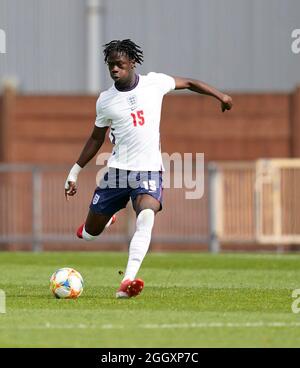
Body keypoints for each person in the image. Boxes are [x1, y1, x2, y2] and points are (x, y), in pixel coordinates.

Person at [64, 39, 233, 299]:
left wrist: (220, 95)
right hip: (117, 173)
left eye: (119, 64)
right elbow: (96, 138)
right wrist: (74, 172)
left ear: (132, 62)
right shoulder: (106, 101)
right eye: (110, 65)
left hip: (149, 171)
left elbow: (188, 83)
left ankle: (128, 281)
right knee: (88, 234)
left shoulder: (155, 83)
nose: (114, 70)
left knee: (146, 215)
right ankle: (106, 218)